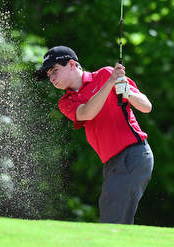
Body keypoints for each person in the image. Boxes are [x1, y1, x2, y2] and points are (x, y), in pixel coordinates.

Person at [34, 46, 154, 224]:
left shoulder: (106, 74)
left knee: (113, 222)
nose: (51, 78)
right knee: (110, 220)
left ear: (72, 64)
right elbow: (87, 113)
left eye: (54, 70)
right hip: (111, 163)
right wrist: (110, 84)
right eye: (49, 74)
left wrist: (127, 93)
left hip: (133, 154)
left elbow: (146, 106)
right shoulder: (66, 101)